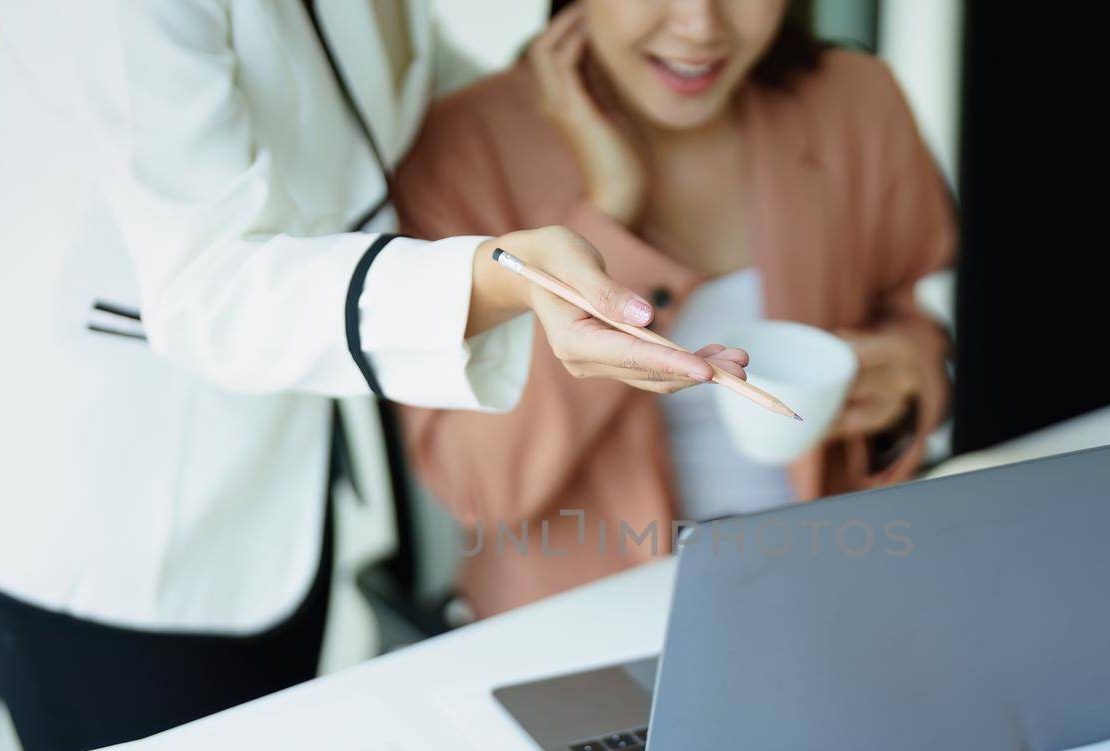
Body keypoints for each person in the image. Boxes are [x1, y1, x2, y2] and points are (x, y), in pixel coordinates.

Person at [0, 0, 745, 751]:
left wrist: (582, 111)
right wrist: (506, 277)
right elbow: (209, 287)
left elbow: (399, 96)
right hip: (84, 483)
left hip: (261, 466)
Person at [396, 0, 957, 617]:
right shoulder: (461, 151)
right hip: (584, 631)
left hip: (840, 591)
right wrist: (609, 219)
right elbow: (479, 486)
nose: (700, 26)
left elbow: (913, 321)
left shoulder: (855, 103)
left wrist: (906, 382)